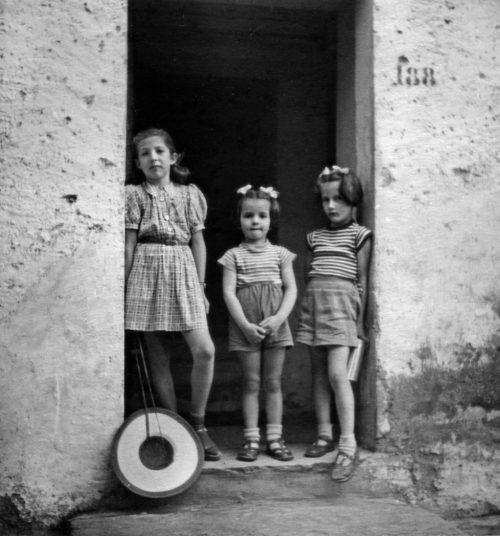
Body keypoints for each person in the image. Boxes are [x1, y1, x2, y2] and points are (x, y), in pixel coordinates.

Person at [125, 127, 221, 461]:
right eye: (145, 153)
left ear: (173, 157)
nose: (153, 157)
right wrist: (126, 289)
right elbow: (129, 244)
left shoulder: (189, 194)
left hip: (182, 267)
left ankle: (199, 423)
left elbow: (198, 242)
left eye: (159, 151)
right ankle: (176, 426)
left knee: (205, 350)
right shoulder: (134, 195)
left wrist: (201, 287)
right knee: (158, 354)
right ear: (138, 162)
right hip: (146, 271)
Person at [295, 165, 372, 482]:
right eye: (326, 200)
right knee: (318, 374)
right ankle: (324, 433)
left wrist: (360, 322)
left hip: (342, 310)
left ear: (352, 200)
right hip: (315, 308)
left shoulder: (360, 235)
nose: (331, 206)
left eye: (338, 199)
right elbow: (309, 275)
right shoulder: (314, 237)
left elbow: (362, 280)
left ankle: (348, 443)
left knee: (338, 375)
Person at [218, 185, 297, 462]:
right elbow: (228, 293)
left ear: (271, 220)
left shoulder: (281, 254)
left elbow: (291, 289)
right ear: (239, 219)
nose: (255, 221)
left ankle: (275, 439)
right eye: (248, 215)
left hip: (276, 324)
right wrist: (244, 326)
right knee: (251, 382)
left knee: (273, 382)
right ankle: (251, 439)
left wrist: (279, 318)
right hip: (245, 326)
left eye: (262, 216)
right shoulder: (233, 256)